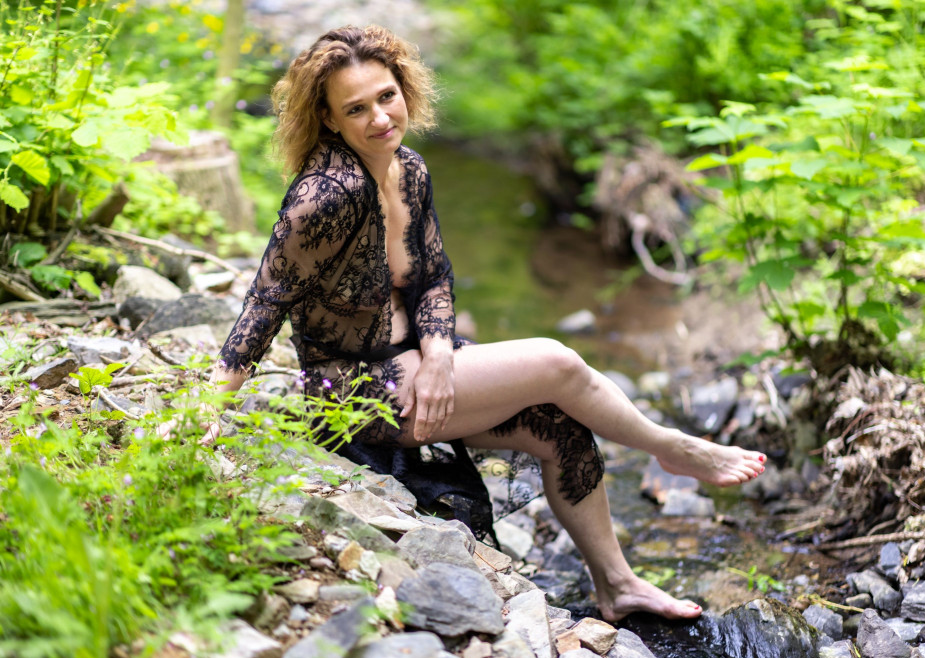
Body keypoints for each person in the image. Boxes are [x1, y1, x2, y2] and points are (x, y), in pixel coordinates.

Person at [185, 25, 767, 622]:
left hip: (419, 360)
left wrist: (439, 357)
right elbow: (264, 304)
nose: (380, 117)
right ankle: (673, 448)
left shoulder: (409, 170)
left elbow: (434, 277)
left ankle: (617, 586)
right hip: (355, 392)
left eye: (387, 96)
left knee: (560, 424)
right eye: (356, 109)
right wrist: (207, 410)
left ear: (405, 89)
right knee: (557, 362)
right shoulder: (325, 196)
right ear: (329, 119)